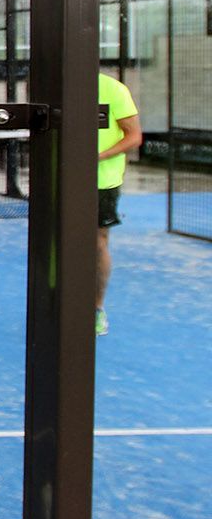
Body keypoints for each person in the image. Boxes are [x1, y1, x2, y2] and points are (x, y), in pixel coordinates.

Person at [97, 72, 142, 337]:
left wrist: (96, 156)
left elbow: (133, 136)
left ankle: (96, 308)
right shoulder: (49, 85)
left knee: (97, 243)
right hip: (59, 179)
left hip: (102, 182)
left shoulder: (113, 89)